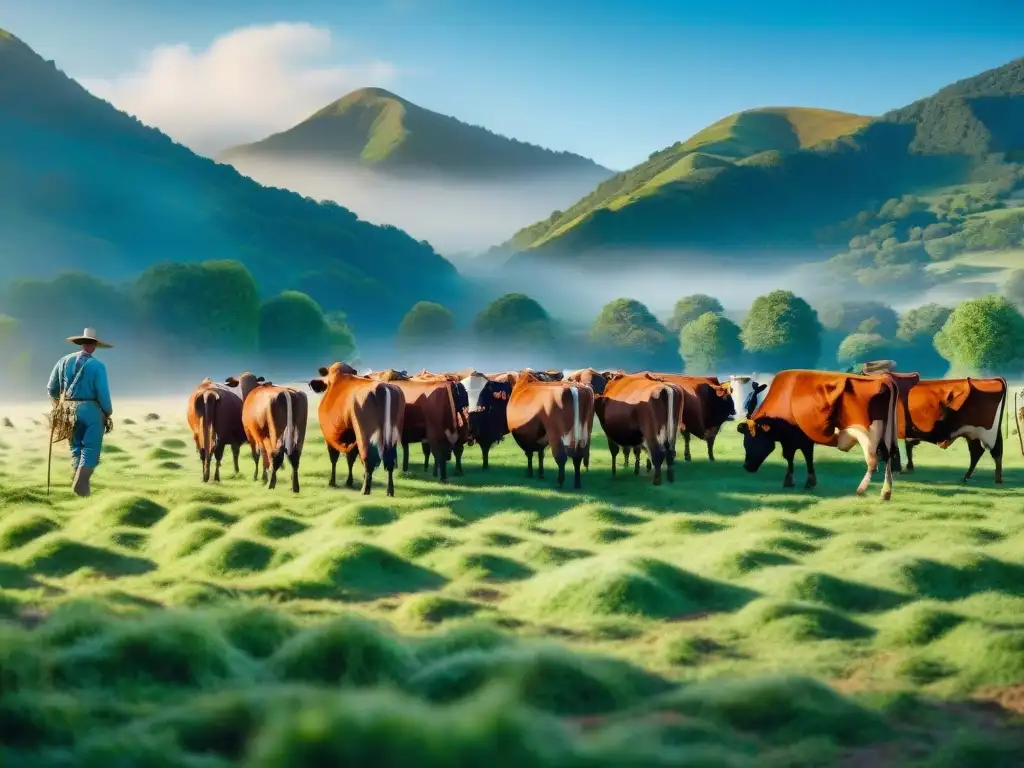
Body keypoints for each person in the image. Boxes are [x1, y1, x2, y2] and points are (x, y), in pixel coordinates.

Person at [46, 328, 114, 497]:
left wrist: (59, 407)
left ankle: (80, 487)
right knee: (91, 448)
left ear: (81, 343)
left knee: (76, 448)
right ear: (93, 346)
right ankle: (81, 484)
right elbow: (102, 393)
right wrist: (108, 411)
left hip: (68, 411)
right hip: (90, 409)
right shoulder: (97, 366)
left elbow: (52, 389)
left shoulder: (62, 361)